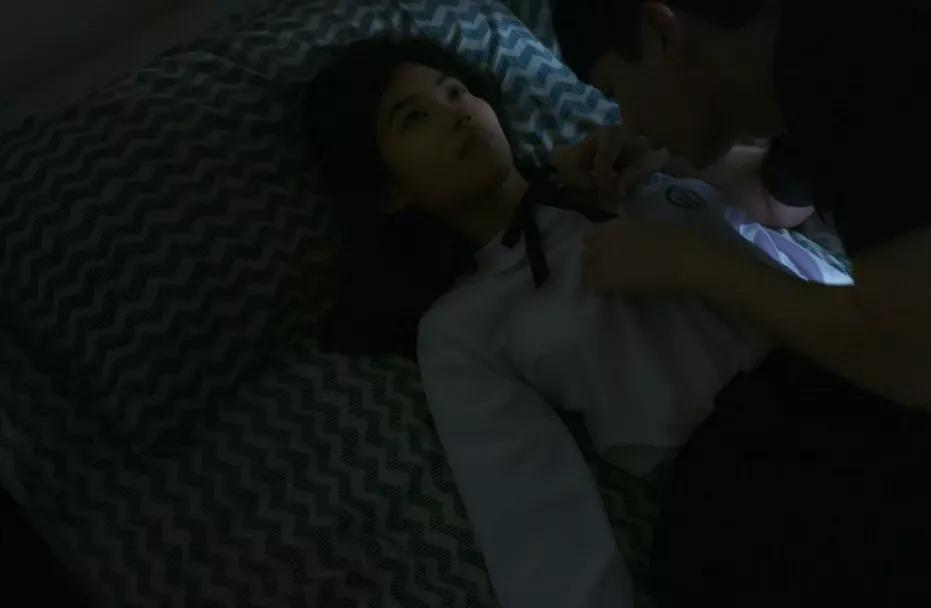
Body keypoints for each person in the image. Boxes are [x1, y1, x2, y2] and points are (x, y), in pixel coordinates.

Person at [301, 36, 864, 608]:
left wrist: (667, 156)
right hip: (741, 472)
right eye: (415, 117)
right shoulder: (460, 325)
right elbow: (529, 508)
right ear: (389, 190)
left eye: (456, 91)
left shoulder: (613, 169)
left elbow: (790, 202)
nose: (459, 113)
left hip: (842, 360)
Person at [549, 0, 931, 604]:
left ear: (661, 32)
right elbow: (782, 199)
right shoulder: (801, 61)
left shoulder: (853, 56)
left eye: (617, 92)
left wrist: (693, 265)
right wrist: (666, 159)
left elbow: (929, 364)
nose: (629, 120)